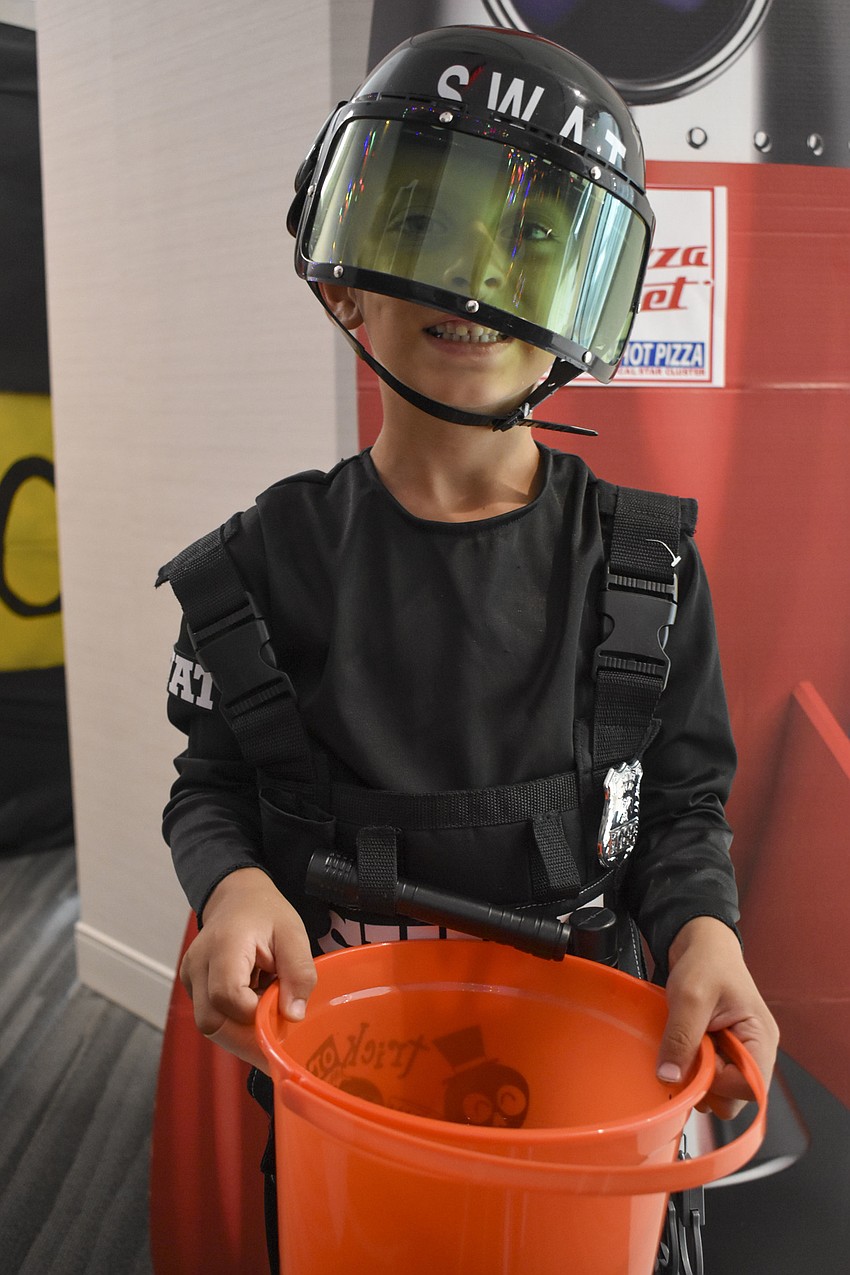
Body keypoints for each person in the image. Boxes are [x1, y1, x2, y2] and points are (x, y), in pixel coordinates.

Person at [159, 23, 778, 1269]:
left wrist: (705, 930)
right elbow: (211, 786)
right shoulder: (252, 574)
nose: (478, 276)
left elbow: (683, 806)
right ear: (345, 271)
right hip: (353, 1114)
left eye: (536, 236)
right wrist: (230, 885)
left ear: (586, 302)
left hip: (592, 1115)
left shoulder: (644, 573)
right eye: (428, 222)